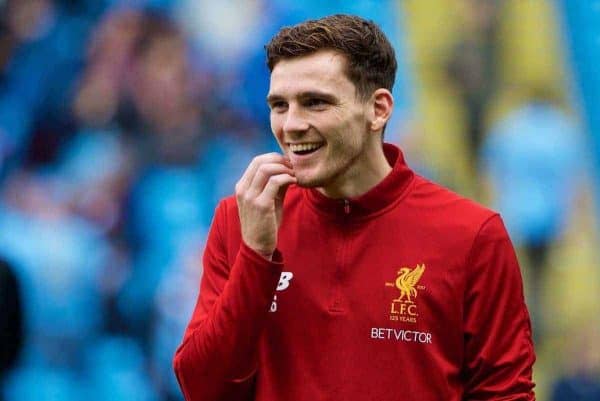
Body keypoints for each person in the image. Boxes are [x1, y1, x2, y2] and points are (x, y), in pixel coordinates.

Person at [173, 14, 535, 401]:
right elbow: (202, 388)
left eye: (315, 103)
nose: (291, 125)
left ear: (378, 109)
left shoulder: (472, 235)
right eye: (280, 105)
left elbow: (505, 394)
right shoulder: (241, 219)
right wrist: (257, 256)